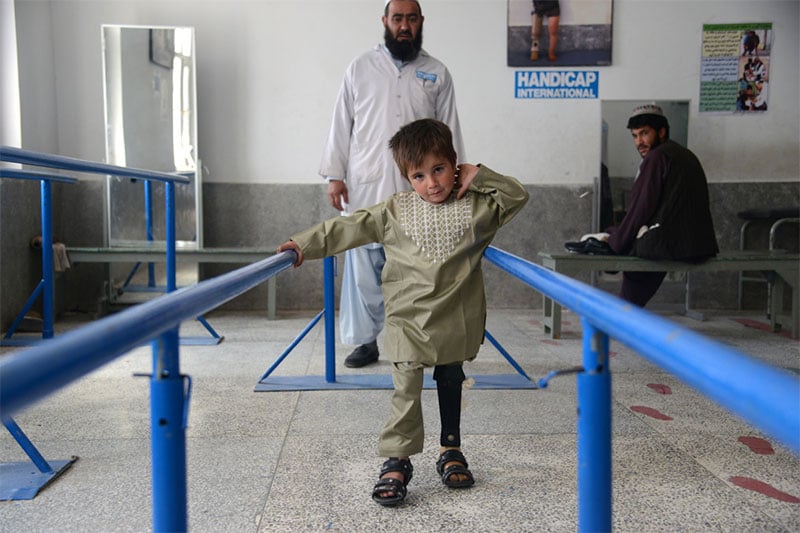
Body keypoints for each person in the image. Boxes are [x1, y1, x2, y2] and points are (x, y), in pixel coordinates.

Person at [278, 119, 529, 506]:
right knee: (406, 391)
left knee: (450, 379)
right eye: (418, 175)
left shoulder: (478, 206)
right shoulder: (394, 210)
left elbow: (517, 196)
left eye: (440, 169)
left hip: (456, 318)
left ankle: (450, 449)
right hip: (408, 320)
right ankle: (398, 459)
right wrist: (302, 245)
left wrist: (480, 176)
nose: (432, 183)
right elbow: (349, 227)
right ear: (406, 178)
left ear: (455, 164)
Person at [319, 0, 465, 369]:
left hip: (421, 191)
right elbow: (341, 123)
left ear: (421, 22)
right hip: (367, 185)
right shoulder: (361, 68)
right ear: (384, 21)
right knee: (363, 269)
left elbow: (450, 132)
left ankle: (419, 340)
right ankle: (365, 342)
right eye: (397, 18)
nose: (404, 26)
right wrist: (335, 174)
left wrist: (457, 179)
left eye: (411, 19)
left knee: (419, 270)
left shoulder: (437, 72)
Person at [571, 104, 719, 306]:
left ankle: (624, 317)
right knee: (630, 239)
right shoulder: (685, 154)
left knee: (634, 259)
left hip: (672, 244)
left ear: (662, 132)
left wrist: (616, 242)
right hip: (699, 244)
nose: (639, 142)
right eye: (635, 136)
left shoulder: (656, 158)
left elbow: (640, 209)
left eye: (644, 134)